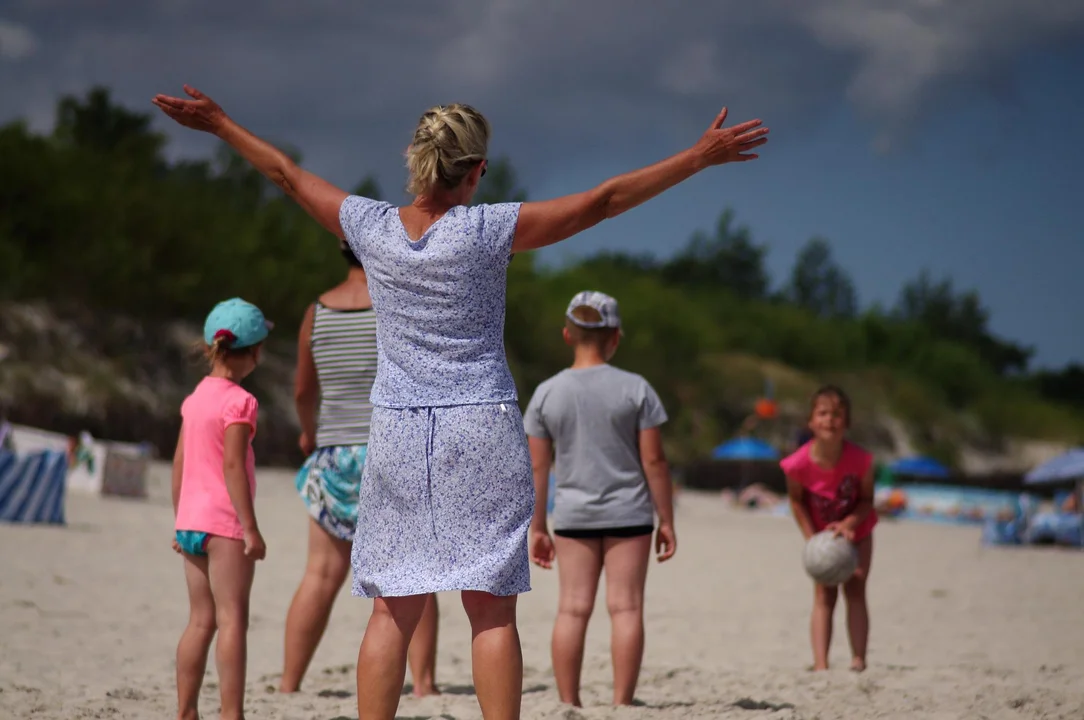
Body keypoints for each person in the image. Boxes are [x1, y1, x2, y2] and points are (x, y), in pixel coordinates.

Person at [153, 84, 767, 720]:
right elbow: (602, 202)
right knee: (491, 606)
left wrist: (221, 123)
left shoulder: (370, 228)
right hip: (479, 424)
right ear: (476, 170)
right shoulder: (487, 229)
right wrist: (696, 158)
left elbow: (285, 175)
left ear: (416, 161)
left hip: (395, 431)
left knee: (392, 606)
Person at [280, 241, 440, 695]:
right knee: (414, 574)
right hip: (389, 449)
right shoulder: (394, 304)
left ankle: (289, 683)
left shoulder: (316, 311)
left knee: (319, 575)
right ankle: (425, 685)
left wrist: (311, 433)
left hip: (333, 454)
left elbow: (302, 390)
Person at [524, 291, 676, 707]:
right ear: (615, 338)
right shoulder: (636, 389)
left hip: (574, 515)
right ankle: (622, 702)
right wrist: (667, 519)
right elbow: (655, 461)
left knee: (572, 609)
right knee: (625, 608)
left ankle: (569, 702)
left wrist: (538, 526)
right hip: (630, 512)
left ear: (567, 335)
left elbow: (539, 469)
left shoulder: (547, 394)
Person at [171, 298, 271, 720]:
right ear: (250, 353)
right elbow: (233, 465)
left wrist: (179, 520)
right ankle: (232, 713)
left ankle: (187, 710)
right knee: (232, 621)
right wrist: (250, 528)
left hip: (191, 522)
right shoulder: (240, 403)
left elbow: (179, 463)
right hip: (224, 525)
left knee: (200, 621)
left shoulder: (194, 399)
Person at [780, 385, 875, 672]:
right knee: (824, 594)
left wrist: (848, 525)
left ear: (846, 422)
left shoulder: (862, 461)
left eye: (837, 414)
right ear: (811, 421)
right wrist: (813, 540)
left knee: (856, 588)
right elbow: (797, 502)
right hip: (821, 536)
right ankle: (821, 663)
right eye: (822, 414)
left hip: (857, 531)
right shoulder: (797, 464)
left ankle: (858, 659)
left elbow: (867, 500)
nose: (829, 420)